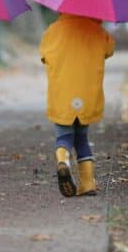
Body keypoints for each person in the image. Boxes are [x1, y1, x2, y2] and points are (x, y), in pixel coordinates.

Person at [40, 13, 115, 197]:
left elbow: (44, 55)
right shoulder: (98, 31)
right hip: (87, 93)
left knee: (64, 135)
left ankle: (63, 158)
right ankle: (88, 184)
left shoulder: (53, 31)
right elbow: (109, 50)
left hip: (62, 93)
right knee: (82, 138)